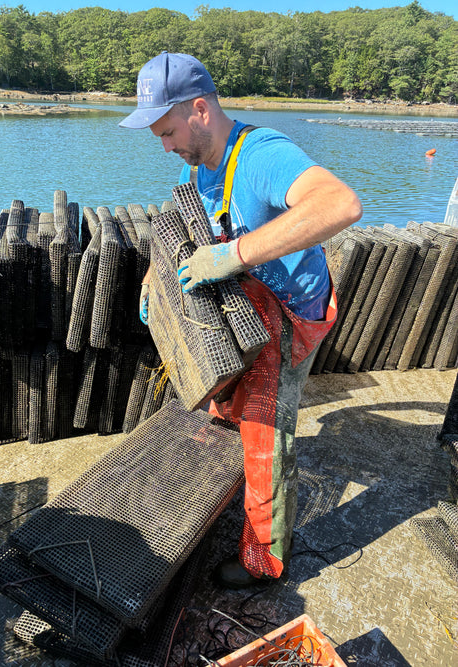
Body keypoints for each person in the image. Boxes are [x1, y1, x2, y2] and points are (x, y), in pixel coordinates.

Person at [120, 52, 362, 589]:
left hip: (290, 313)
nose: (164, 146)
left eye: (167, 131)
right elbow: (185, 225)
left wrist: (233, 257)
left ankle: (265, 560)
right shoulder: (200, 161)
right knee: (225, 402)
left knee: (266, 434)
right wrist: (152, 282)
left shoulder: (262, 155)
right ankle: (235, 490)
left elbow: (341, 204)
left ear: (200, 109)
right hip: (247, 297)